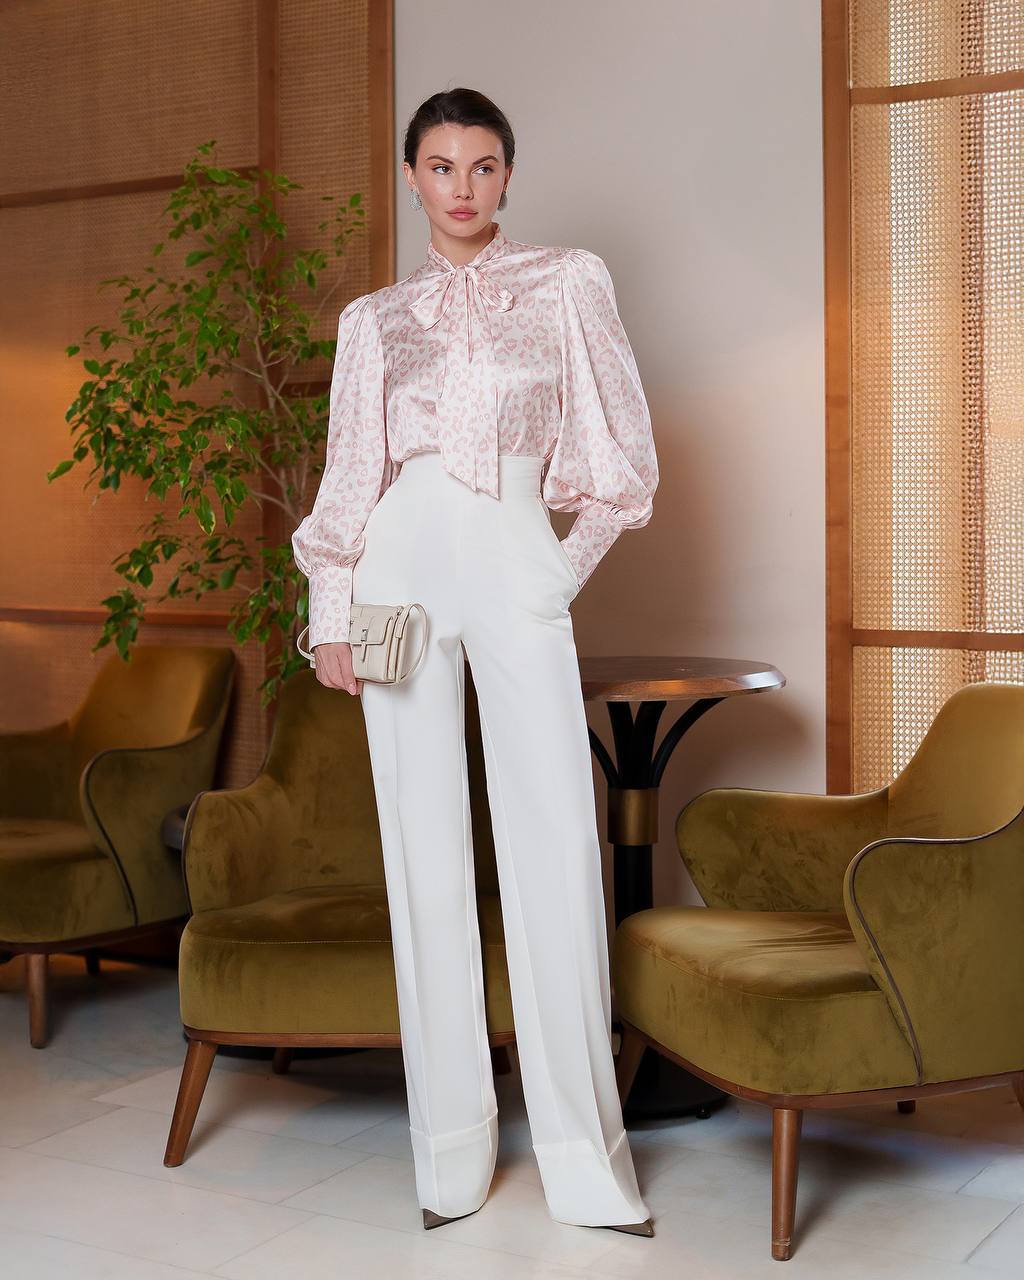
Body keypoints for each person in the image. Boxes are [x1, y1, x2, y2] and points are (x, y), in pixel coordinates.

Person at [291, 87, 658, 1236]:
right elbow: (351, 476)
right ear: (413, 178)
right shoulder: (373, 321)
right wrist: (333, 608)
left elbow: (620, 457)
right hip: (399, 564)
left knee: (550, 831)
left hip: (511, 556)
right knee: (423, 850)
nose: (461, 186)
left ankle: (585, 1165)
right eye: (440, 166)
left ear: (508, 177)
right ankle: (450, 1155)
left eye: (483, 166)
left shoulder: (566, 282)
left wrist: (554, 569)